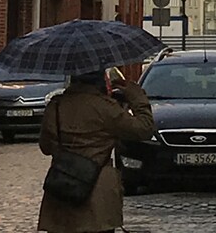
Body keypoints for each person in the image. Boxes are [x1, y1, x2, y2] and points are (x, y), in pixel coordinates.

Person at [38, 70, 154, 233]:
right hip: (98, 190)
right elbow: (144, 129)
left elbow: (46, 147)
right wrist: (136, 97)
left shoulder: (56, 106)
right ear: (100, 81)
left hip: (63, 187)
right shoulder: (106, 108)